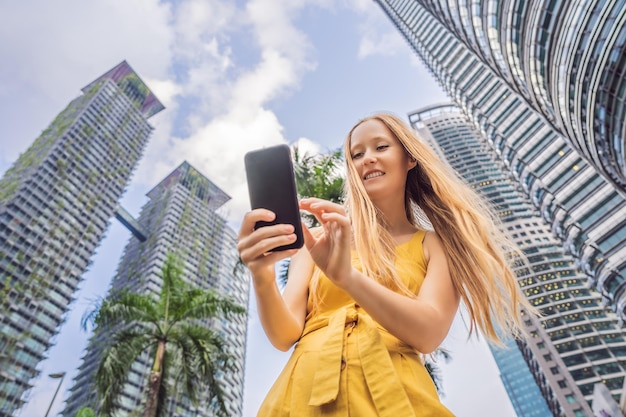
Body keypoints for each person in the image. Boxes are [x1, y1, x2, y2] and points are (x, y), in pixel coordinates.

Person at [237, 113, 534, 416]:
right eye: (357, 154)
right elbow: (284, 335)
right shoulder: (316, 241)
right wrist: (262, 276)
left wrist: (348, 278)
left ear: (409, 159)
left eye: (380, 147)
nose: (367, 159)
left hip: (397, 397)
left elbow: (428, 333)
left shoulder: (435, 244)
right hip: (301, 396)